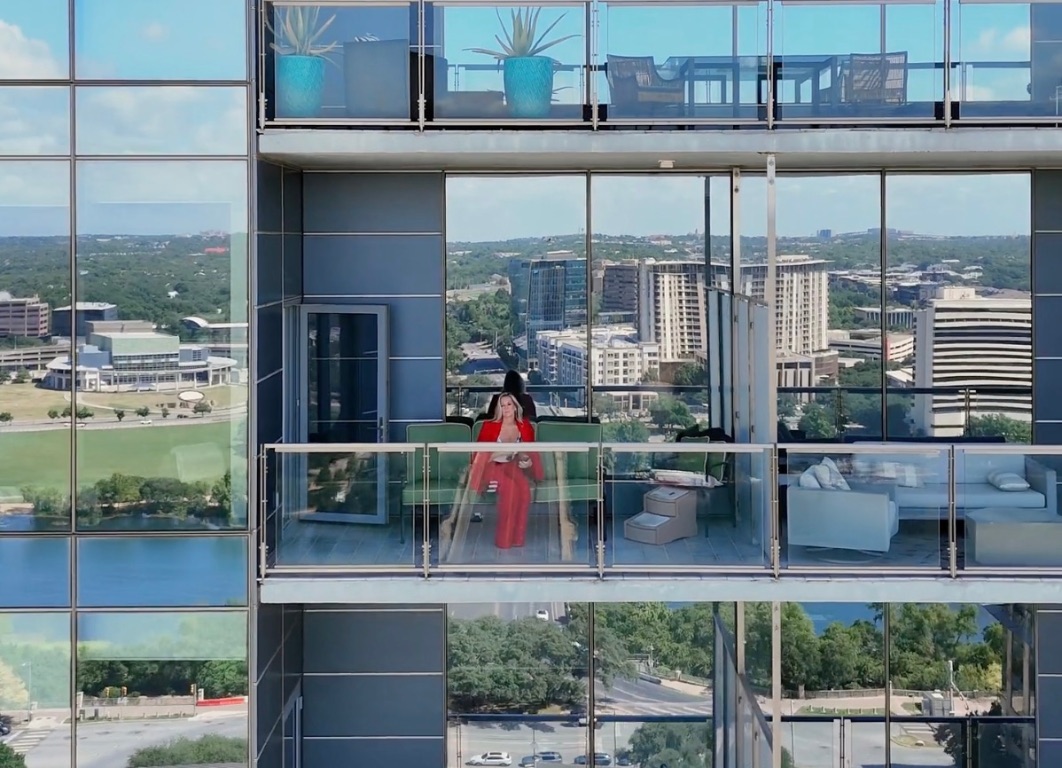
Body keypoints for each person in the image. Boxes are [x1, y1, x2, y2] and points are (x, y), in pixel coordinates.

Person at [468, 392, 543, 549]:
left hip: (512, 465)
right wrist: (508, 451)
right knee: (510, 490)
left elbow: (528, 452)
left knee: (524, 491)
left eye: (509, 404)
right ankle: (504, 540)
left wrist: (526, 460)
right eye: (502, 405)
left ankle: (517, 538)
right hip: (491, 466)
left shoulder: (525, 426)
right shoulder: (489, 426)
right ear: (498, 409)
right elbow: (480, 456)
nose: (506, 408)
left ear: (515, 407)